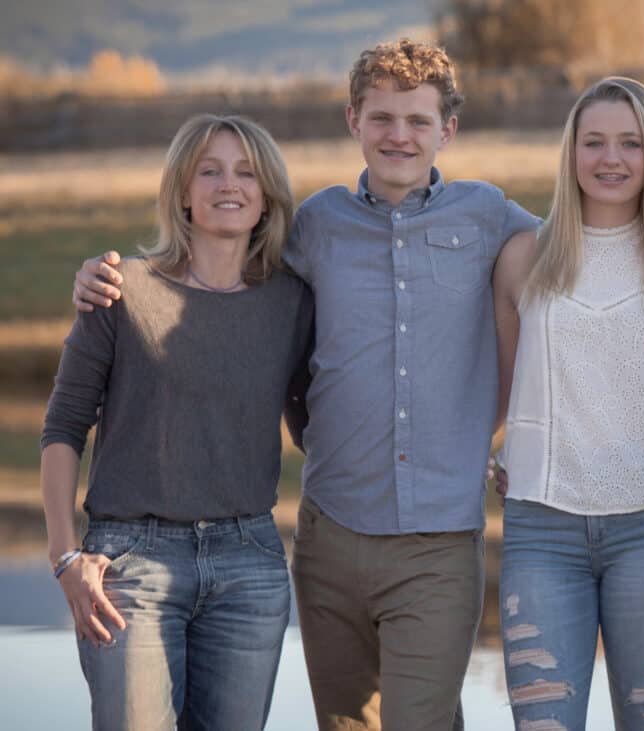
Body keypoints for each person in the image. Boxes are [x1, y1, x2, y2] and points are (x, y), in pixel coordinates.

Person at [72, 40, 539, 731]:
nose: (399, 136)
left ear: (449, 128)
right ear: (353, 120)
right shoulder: (315, 225)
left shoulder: (490, 215)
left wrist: (515, 434)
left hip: (440, 540)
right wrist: (106, 277)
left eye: (417, 120)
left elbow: (580, 263)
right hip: (330, 536)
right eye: (381, 118)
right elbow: (222, 272)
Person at [42, 113, 313, 730]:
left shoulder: (292, 301)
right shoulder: (119, 290)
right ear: (182, 193)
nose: (229, 184)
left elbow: (313, 420)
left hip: (250, 565)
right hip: (128, 564)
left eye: (246, 172)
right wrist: (64, 557)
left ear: (267, 194)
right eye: (209, 170)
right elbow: (63, 427)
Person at [491, 77, 644, 729]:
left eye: (630, 143)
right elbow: (506, 388)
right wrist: (506, 456)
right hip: (540, 533)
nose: (611, 158)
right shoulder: (523, 258)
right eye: (594, 142)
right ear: (570, 153)